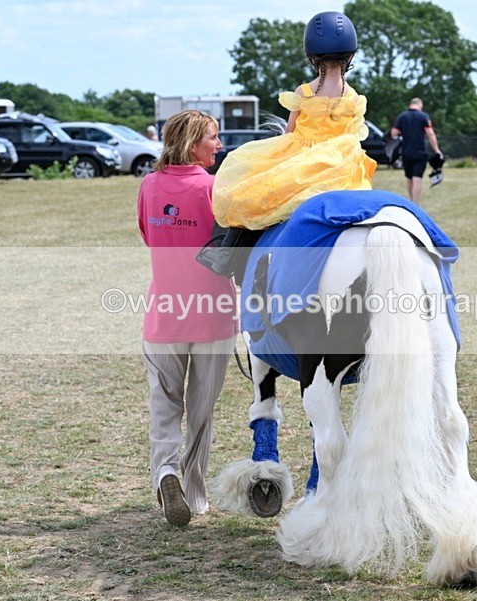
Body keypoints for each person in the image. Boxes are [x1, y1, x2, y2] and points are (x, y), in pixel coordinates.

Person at [197, 11, 377, 278]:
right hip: (341, 164)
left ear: (312, 57)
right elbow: (355, 134)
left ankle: (228, 254)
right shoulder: (354, 98)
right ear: (350, 56)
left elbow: (290, 131)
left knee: (251, 194)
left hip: (306, 159)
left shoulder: (304, 92)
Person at [137, 110, 238, 527]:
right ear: (192, 143)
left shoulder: (147, 185)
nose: (219, 144)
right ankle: (194, 495)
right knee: (200, 409)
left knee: (164, 404)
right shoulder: (216, 189)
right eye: (212, 138)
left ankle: (165, 472)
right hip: (212, 316)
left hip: (164, 316)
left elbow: (147, 234)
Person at [391, 98, 443, 204]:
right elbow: (430, 134)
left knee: (409, 177)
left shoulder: (402, 116)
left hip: (406, 153)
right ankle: (415, 203)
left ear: (411, 104)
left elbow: (394, 133)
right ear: (420, 105)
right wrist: (437, 150)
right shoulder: (423, 116)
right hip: (419, 152)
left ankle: (411, 202)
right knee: (417, 178)